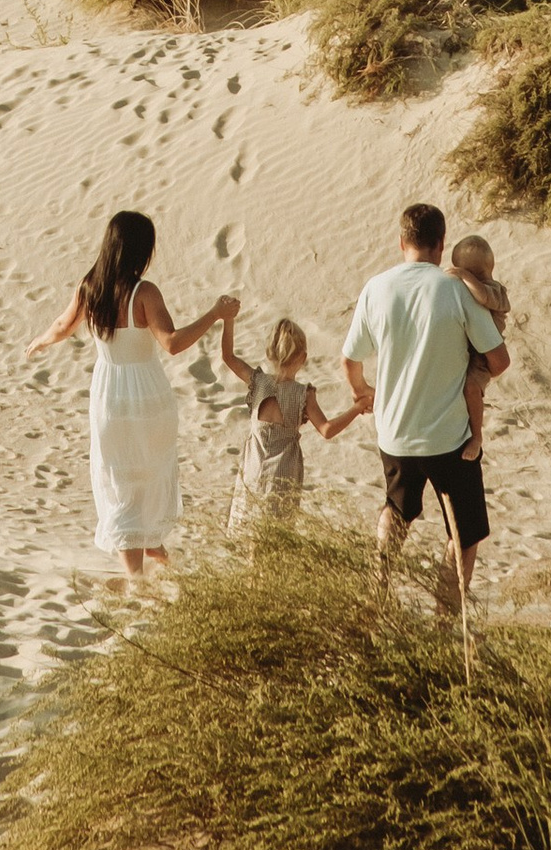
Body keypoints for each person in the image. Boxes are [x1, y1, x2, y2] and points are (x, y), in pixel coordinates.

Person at [29, 209, 238, 583]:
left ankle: (146, 547)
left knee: (120, 478)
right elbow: (172, 343)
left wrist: (41, 341)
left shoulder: (89, 288)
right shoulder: (144, 292)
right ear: (140, 251)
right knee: (147, 473)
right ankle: (137, 576)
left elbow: (63, 325)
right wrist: (216, 313)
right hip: (148, 393)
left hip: (109, 393)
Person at [341, 199, 509, 612]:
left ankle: (376, 592)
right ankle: (444, 619)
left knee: (396, 510)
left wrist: (366, 394)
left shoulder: (376, 287)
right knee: (463, 533)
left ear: (402, 242)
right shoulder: (455, 289)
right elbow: (499, 360)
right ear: (441, 244)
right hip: (449, 437)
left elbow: (349, 360)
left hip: (394, 431)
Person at [217, 312, 362, 523]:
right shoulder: (303, 394)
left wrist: (228, 319)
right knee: (275, 536)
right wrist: (357, 408)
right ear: (302, 358)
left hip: (253, 471)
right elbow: (327, 430)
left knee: (249, 532)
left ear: (269, 354)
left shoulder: (259, 383)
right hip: (283, 476)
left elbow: (228, 356)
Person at [447, 234, 512, 463]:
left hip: (483, 358)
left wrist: (464, 276)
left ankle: (476, 437)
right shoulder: (467, 290)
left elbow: (483, 296)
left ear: (490, 270)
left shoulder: (495, 290)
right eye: (467, 273)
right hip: (467, 349)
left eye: (479, 274)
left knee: (471, 387)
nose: (473, 280)